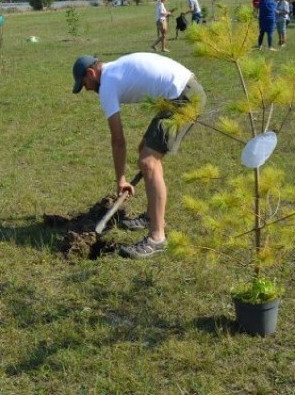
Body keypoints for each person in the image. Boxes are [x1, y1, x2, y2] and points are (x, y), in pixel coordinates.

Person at [71, 52, 206, 259]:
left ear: (91, 73)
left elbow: (118, 140)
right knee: (145, 148)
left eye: (85, 84)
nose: (88, 89)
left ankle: (156, 237)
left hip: (183, 97)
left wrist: (121, 180)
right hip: (178, 93)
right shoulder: (113, 71)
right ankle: (152, 216)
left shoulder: (107, 84)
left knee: (148, 161)